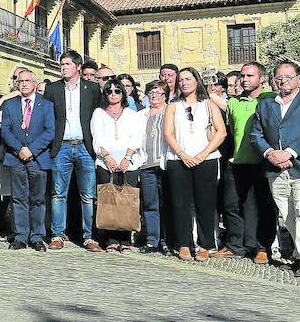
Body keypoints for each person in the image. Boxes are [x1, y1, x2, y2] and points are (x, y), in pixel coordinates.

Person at [213, 62, 277, 264]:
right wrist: (210, 80)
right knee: (231, 205)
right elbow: (210, 97)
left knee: (263, 206)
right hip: (237, 161)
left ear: (262, 79)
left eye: (250, 75)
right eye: (242, 75)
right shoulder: (234, 102)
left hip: (263, 161)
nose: (244, 79)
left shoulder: (271, 99)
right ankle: (235, 245)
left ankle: (262, 247)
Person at [163, 67, 227, 262]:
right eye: (181, 80)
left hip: (206, 160)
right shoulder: (173, 105)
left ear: (196, 81)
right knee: (180, 203)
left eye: (188, 79)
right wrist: (182, 154)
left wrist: (202, 154)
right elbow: (168, 134)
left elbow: (221, 132)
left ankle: (205, 244)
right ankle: (183, 243)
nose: (184, 83)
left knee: (205, 203)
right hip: (178, 160)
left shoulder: (208, 104)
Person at [43, 50, 103, 252]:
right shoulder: (52, 89)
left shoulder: (92, 89)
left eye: (67, 64)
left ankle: (89, 236)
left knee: (88, 194)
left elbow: (98, 117)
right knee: (58, 193)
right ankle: (58, 234)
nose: (63, 67)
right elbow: (48, 118)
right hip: (62, 146)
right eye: (61, 64)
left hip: (85, 146)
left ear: (78, 67)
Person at [250, 60, 300, 278]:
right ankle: (299, 255)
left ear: (299, 78)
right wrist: (271, 154)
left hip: (299, 167)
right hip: (275, 170)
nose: (283, 81)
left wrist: (290, 152)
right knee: (287, 214)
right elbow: (256, 134)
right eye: (279, 78)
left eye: (288, 77)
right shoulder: (266, 104)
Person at [0, 68, 55, 251]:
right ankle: (21, 236)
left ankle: (37, 236)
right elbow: (5, 130)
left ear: (34, 83)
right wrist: (18, 149)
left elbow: (50, 131)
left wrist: (31, 150)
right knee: (18, 198)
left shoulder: (46, 105)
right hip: (16, 159)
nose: (23, 83)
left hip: (38, 158)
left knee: (38, 199)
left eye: (27, 81)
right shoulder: (10, 105)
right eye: (20, 81)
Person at [91, 79, 143, 252]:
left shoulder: (131, 114)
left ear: (123, 93)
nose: (113, 94)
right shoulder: (98, 113)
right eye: (109, 91)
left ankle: (126, 239)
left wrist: (127, 157)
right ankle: (111, 239)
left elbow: (136, 137)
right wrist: (107, 157)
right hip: (106, 162)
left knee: (127, 200)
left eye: (117, 91)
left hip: (129, 162)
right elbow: (96, 137)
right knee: (109, 201)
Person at [137, 80, 169, 253]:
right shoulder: (141, 115)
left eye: (158, 93)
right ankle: (152, 240)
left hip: (164, 163)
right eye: (151, 93)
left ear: (165, 95)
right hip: (146, 164)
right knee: (150, 203)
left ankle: (166, 239)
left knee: (166, 203)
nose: (155, 96)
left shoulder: (170, 112)